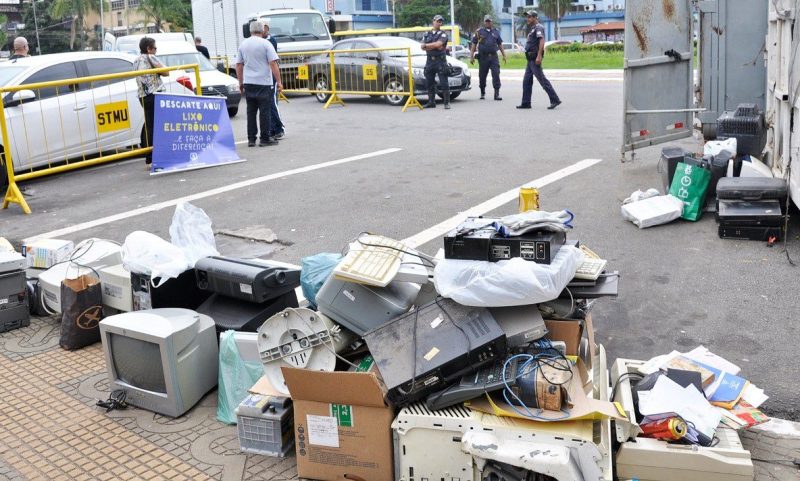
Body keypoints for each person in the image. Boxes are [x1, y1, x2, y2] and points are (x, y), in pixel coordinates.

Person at [236, 20, 282, 147]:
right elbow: (273, 63)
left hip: (249, 82)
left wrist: (241, 83)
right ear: (262, 30)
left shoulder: (243, 44)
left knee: (251, 112)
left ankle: (251, 139)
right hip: (264, 83)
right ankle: (264, 138)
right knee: (264, 111)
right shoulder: (266, 44)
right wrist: (279, 81)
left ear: (250, 31)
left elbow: (239, 65)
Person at [133, 37, 168, 166]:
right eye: (155, 48)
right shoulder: (150, 57)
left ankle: (149, 158)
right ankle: (158, 156)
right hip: (154, 95)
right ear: (148, 49)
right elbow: (166, 72)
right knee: (158, 125)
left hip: (143, 97)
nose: (156, 50)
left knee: (149, 126)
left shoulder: (136, 60)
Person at [517, 11, 561, 110]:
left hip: (534, 58)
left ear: (535, 18)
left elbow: (541, 41)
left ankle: (555, 99)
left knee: (542, 80)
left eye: (529, 17)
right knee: (526, 81)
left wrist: (539, 56)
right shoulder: (533, 29)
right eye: (527, 17)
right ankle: (526, 103)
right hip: (530, 60)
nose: (527, 19)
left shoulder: (538, 28)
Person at [470, 15, 506, 100]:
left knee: (496, 74)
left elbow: (500, 44)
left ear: (492, 22)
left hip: (494, 57)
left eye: (489, 21)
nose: (488, 23)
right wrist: (471, 56)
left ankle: (496, 94)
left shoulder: (496, 32)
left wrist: (504, 55)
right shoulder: (479, 32)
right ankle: (482, 91)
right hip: (483, 57)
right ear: (484, 22)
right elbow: (474, 44)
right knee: (482, 76)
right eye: (486, 21)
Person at [421, 14, 450, 109]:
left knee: (444, 82)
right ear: (433, 21)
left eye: (440, 21)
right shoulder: (426, 34)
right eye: (437, 21)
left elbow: (439, 45)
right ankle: (431, 102)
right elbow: (422, 47)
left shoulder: (443, 34)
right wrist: (431, 46)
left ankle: (446, 102)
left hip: (440, 61)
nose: (439, 23)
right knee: (429, 82)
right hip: (429, 61)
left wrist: (427, 45)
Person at [263, 23, 285, 140]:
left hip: (271, 76)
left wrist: (278, 80)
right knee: (266, 104)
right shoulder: (260, 41)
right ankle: (271, 128)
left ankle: (279, 128)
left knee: (272, 104)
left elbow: (272, 61)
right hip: (263, 77)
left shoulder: (270, 40)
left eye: (264, 28)